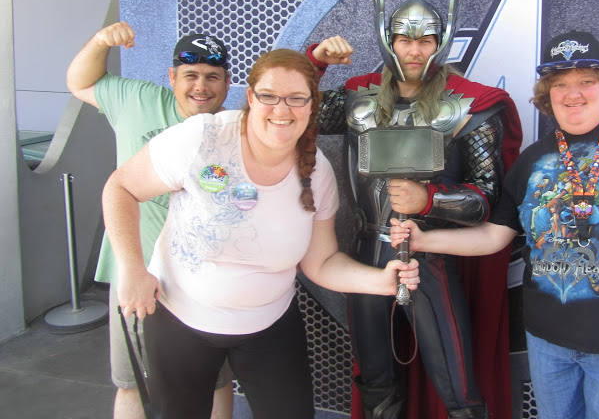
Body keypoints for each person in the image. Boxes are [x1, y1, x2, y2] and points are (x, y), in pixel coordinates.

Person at [390, 30, 599, 419]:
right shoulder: (533, 159)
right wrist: (423, 240)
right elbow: (495, 236)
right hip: (549, 345)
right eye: (559, 83)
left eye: (586, 81)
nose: (573, 93)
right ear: (547, 93)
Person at [101, 48, 421, 419]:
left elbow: (321, 263)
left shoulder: (317, 173)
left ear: (312, 106)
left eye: (296, 98)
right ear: (251, 97)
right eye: (269, 96)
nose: (282, 110)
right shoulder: (202, 138)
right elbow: (120, 188)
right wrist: (132, 269)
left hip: (269, 325)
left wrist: (381, 281)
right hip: (180, 320)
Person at [307, 0, 523, 419]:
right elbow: (293, 110)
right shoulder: (358, 97)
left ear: (440, 43)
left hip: (430, 255)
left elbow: (485, 198)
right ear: (389, 40)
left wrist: (430, 200)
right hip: (368, 250)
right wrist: (315, 64)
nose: (414, 50)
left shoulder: (469, 105)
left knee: (457, 385)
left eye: (425, 40)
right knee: (376, 382)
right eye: (405, 40)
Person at [66, 22, 235, 419]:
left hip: (205, 280)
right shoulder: (136, 99)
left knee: (214, 381)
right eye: (191, 75)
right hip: (135, 273)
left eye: (213, 77)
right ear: (172, 77)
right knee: (132, 383)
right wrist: (100, 42)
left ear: (228, 84)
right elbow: (78, 82)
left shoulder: (233, 129)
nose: (201, 86)